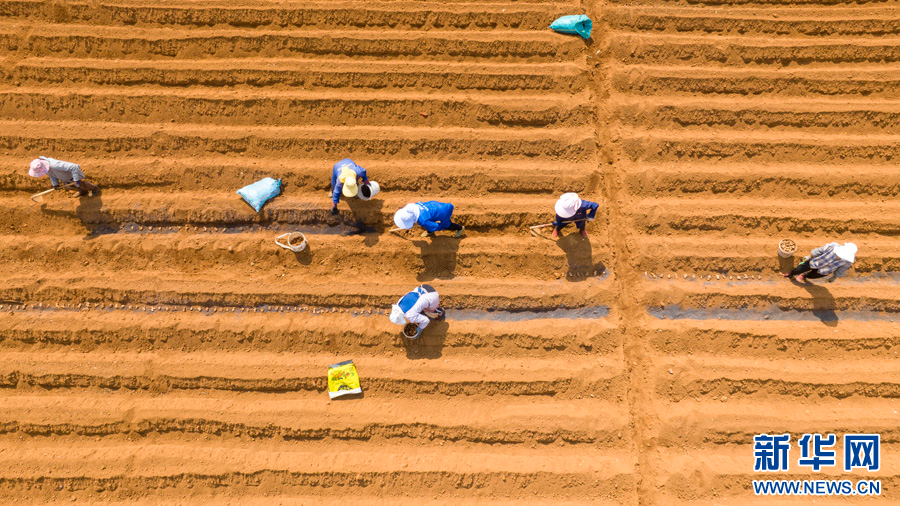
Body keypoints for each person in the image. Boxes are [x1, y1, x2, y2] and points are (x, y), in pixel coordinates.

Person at [784, 242, 857, 283]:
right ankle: (791, 273)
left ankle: (805, 275)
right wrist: (809, 256)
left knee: (813, 275)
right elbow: (819, 251)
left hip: (825, 271)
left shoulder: (847, 262)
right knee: (800, 268)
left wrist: (834, 277)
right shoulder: (833, 246)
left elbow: (841, 270)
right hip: (816, 261)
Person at [29, 157, 99, 197]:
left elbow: (74, 167)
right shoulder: (46, 169)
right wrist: (55, 184)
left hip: (73, 175)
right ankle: (82, 191)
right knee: (71, 186)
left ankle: (94, 188)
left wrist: (76, 179)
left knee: (83, 184)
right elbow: (52, 175)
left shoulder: (55, 165)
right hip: (65, 178)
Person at [393, 201, 464, 238]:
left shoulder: (423, 220)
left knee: (446, 225)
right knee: (429, 223)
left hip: (445, 211)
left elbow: (435, 226)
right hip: (435, 206)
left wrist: (439, 226)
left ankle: (460, 228)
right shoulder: (411, 207)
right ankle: (429, 231)